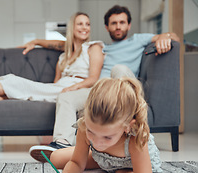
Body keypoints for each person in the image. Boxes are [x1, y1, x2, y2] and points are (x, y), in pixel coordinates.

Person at [28, 5, 179, 162]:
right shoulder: (100, 48)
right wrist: (37, 41)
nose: (118, 26)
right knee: (66, 97)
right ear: (107, 27)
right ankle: (62, 145)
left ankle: (123, 129)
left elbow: (174, 36)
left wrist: (164, 37)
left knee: (118, 69)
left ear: (129, 25)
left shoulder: (138, 40)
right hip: (100, 92)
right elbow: (64, 45)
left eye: (122, 22)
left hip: (124, 89)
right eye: (114, 23)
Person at [52, 77, 162, 173]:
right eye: (92, 132)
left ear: (127, 127)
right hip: (105, 159)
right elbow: (76, 162)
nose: (97, 142)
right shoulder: (85, 126)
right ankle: (97, 171)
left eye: (107, 137)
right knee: (55, 157)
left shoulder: (135, 139)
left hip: (132, 169)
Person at [0, 12, 104, 103]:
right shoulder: (64, 56)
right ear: (72, 27)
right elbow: (56, 80)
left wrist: (72, 88)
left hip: (74, 90)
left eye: (87, 24)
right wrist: (35, 41)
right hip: (58, 89)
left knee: (12, 82)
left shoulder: (93, 47)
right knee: (11, 95)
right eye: (80, 24)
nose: (84, 28)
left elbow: (93, 79)